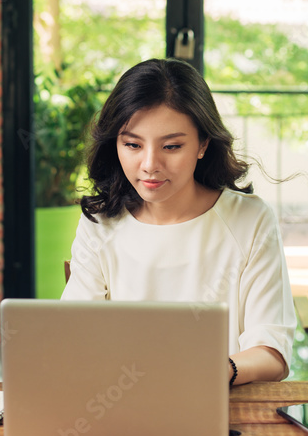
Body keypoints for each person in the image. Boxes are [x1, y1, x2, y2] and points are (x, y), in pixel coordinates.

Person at [61, 58, 296, 386]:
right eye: (132, 145)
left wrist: (214, 371)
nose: (149, 165)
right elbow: (74, 338)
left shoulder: (250, 220)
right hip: (116, 406)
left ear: (202, 144)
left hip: (223, 403)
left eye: (171, 146)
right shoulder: (99, 224)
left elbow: (272, 352)